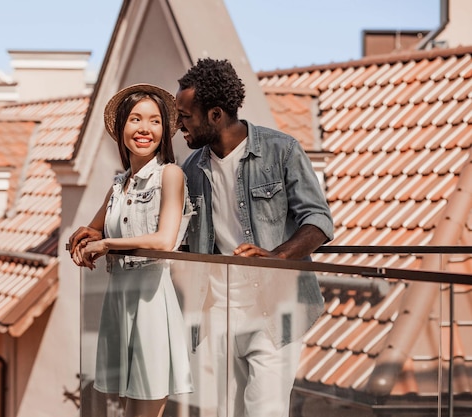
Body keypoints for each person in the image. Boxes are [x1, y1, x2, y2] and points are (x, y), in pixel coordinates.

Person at [175, 58, 335, 417]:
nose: (177, 125)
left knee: (265, 411)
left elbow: (319, 220)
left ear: (215, 114)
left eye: (185, 116)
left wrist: (277, 257)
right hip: (218, 311)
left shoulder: (282, 150)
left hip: (276, 308)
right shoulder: (191, 169)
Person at [68, 83, 194, 417]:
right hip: (118, 299)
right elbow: (95, 229)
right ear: (121, 128)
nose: (144, 129)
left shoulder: (170, 175)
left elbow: (164, 239)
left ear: (165, 130)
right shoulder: (119, 185)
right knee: (126, 411)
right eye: (135, 119)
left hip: (152, 300)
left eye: (154, 121)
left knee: (146, 409)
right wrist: (82, 240)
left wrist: (106, 244)